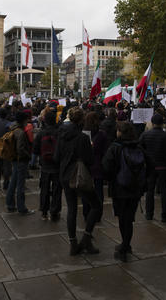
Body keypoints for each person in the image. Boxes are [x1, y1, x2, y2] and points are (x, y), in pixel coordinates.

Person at [55, 106, 101, 255]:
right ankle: (86, 238)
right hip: (79, 176)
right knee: (96, 205)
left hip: (65, 175)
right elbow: (90, 160)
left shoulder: (61, 134)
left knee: (72, 209)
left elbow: (56, 157)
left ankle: (73, 243)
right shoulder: (82, 138)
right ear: (81, 120)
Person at [103, 121, 148, 262]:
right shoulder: (139, 146)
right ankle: (126, 243)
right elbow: (150, 164)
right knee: (129, 218)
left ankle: (125, 246)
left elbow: (107, 167)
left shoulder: (115, 148)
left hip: (120, 188)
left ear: (120, 132)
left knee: (123, 219)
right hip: (135, 188)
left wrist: (112, 178)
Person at [140, 113, 166, 222]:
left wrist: (146, 156)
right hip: (164, 165)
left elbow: (139, 147)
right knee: (164, 191)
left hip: (151, 166)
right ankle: (165, 214)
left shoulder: (145, 134)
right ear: (162, 123)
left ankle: (149, 214)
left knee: (150, 191)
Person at [33, 110, 62, 221]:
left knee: (44, 188)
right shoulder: (59, 132)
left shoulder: (41, 133)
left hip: (45, 165)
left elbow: (35, 150)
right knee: (57, 190)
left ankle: (44, 211)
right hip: (56, 164)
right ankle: (54, 211)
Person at [5, 112, 34, 215]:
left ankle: (10, 204)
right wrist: (28, 156)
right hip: (21, 160)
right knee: (20, 185)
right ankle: (22, 208)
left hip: (14, 159)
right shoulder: (21, 132)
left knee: (13, 182)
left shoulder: (13, 128)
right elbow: (20, 149)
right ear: (23, 120)